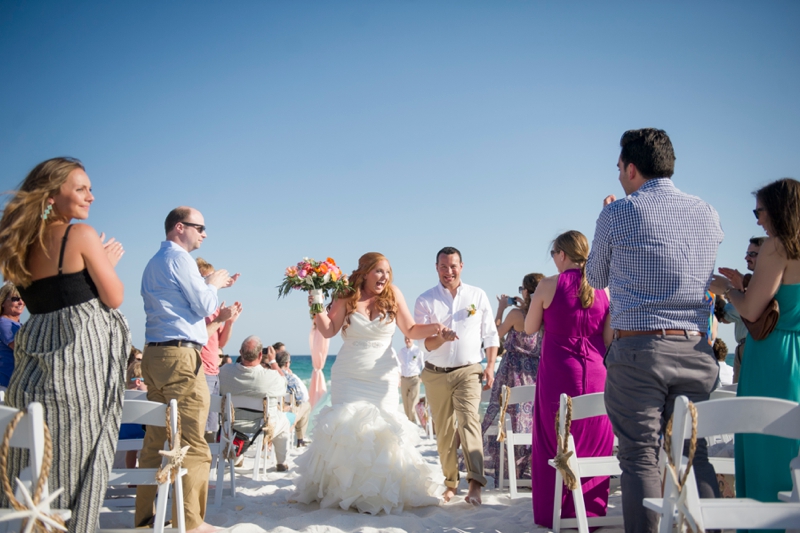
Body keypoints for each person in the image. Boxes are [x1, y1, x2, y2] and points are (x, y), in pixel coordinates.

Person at [586, 128, 723, 532]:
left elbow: (595, 277)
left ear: (631, 169)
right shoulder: (707, 211)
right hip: (697, 349)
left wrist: (607, 219)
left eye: (618, 169)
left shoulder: (618, 212)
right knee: (693, 454)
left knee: (640, 457)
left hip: (640, 351)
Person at [0, 157, 131, 533]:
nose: (91, 195)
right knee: (75, 463)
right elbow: (114, 297)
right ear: (52, 195)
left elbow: (49, 298)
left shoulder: (18, 246)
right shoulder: (82, 236)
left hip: (34, 363)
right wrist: (102, 263)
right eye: (81, 188)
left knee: (34, 460)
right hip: (78, 364)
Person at [292, 252, 445, 514]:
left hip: (382, 374)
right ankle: (345, 491)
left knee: (382, 428)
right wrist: (316, 302)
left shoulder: (393, 294)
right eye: (378, 271)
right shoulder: (346, 294)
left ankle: (377, 492)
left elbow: (410, 330)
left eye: (387, 272)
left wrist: (436, 328)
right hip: (349, 373)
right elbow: (328, 330)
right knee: (347, 429)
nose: (384, 277)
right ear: (364, 273)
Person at [136, 206, 238, 533]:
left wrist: (207, 283)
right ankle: (190, 523)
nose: (204, 234)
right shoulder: (180, 259)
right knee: (192, 439)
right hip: (179, 357)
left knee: (156, 439)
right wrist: (214, 282)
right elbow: (206, 306)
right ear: (180, 227)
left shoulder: (154, 261)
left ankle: (147, 519)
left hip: (154, 354)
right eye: (200, 227)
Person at [710, 177, 800, 520]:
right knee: (793, 448)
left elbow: (749, 310)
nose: (757, 219)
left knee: (766, 446)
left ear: (778, 208)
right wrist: (745, 282)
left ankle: (765, 524)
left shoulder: (777, 246)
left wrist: (726, 290)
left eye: (759, 210)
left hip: (772, 356)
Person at [524, 231, 613, 527]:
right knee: (596, 443)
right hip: (598, 372)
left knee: (554, 441)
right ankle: (590, 513)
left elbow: (529, 328)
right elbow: (610, 337)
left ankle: (555, 514)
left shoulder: (549, 285)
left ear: (561, 254)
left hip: (559, 374)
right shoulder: (604, 288)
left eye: (553, 255)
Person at [415, 246, 499, 505]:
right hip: (435, 374)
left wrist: (490, 365)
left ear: (461, 266)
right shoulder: (425, 299)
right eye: (443, 266)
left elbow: (490, 334)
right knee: (443, 432)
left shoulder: (477, 295)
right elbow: (423, 344)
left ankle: (475, 484)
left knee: (469, 421)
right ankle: (451, 482)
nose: (448, 271)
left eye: (453, 266)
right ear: (436, 268)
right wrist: (440, 338)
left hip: (468, 371)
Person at [481, 273, 543, 486]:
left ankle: (512, 473)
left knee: (512, 421)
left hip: (514, 372)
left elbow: (494, 336)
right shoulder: (546, 314)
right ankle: (532, 471)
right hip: (538, 373)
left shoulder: (517, 315)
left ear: (526, 291)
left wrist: (501, 308)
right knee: (533, 422)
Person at [219, 336, 291, 471]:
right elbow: (284, 383)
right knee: (284, 422)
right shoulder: (271, 376)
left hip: (232, 427)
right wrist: (273, 361)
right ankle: (281, 462)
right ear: (260, 355)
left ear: (240, 352)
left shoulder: (225, 372)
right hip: (261, 428)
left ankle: (238, 456)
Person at [196, 257, 243, 442]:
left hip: (212, 372)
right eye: (209, 278)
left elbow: (221, 343)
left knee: (211, 425)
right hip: (201, 371)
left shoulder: (214, 309)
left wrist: (229, 322)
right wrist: (220, 320)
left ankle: (207, 466)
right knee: (202, 427)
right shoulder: (198, 308)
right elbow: (198, 338)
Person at [720, 237, 765, 382]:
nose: (746, 257)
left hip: (751, 347)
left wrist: (727, 291)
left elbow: (728, 315)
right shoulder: (754, 283)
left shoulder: (761, 286)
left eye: (752, 254)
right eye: (747, 253)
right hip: (745, 347)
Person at [275, 350, 312, 446]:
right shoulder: (290, 378)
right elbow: (300, 398)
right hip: (286, 412)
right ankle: (300, 439)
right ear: (287, 364)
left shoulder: (268, 375)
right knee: (306, 405)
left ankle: (299, 439)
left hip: (271, 411)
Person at [121, 361, 147, 468]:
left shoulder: (122, 396)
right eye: (148, 382)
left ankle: (130, 482)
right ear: (138, 382)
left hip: (122, 437)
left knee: (131, 450)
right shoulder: (144, 397)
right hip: (141, 436)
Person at [0, 283, 24, 391]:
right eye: (15, 298)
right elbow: (21, 349)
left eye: (23, 298)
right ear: (3, 302)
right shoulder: (3, 323)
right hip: (4, 386)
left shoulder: (19, 325)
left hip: (15, 386)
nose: (21, 302)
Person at [397, 336, 424, 423]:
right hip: (404, 379)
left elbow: (423, 364)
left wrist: (422, 377)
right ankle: (409, 423)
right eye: (405, 338)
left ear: (413, 339)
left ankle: (413, 422)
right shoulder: (402, 351)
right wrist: (399, 378)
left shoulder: (418, 350)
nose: (407, 340)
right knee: (406, 404)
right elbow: (398, 365)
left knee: (412, 404)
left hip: (414, 379)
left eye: (409, 338)